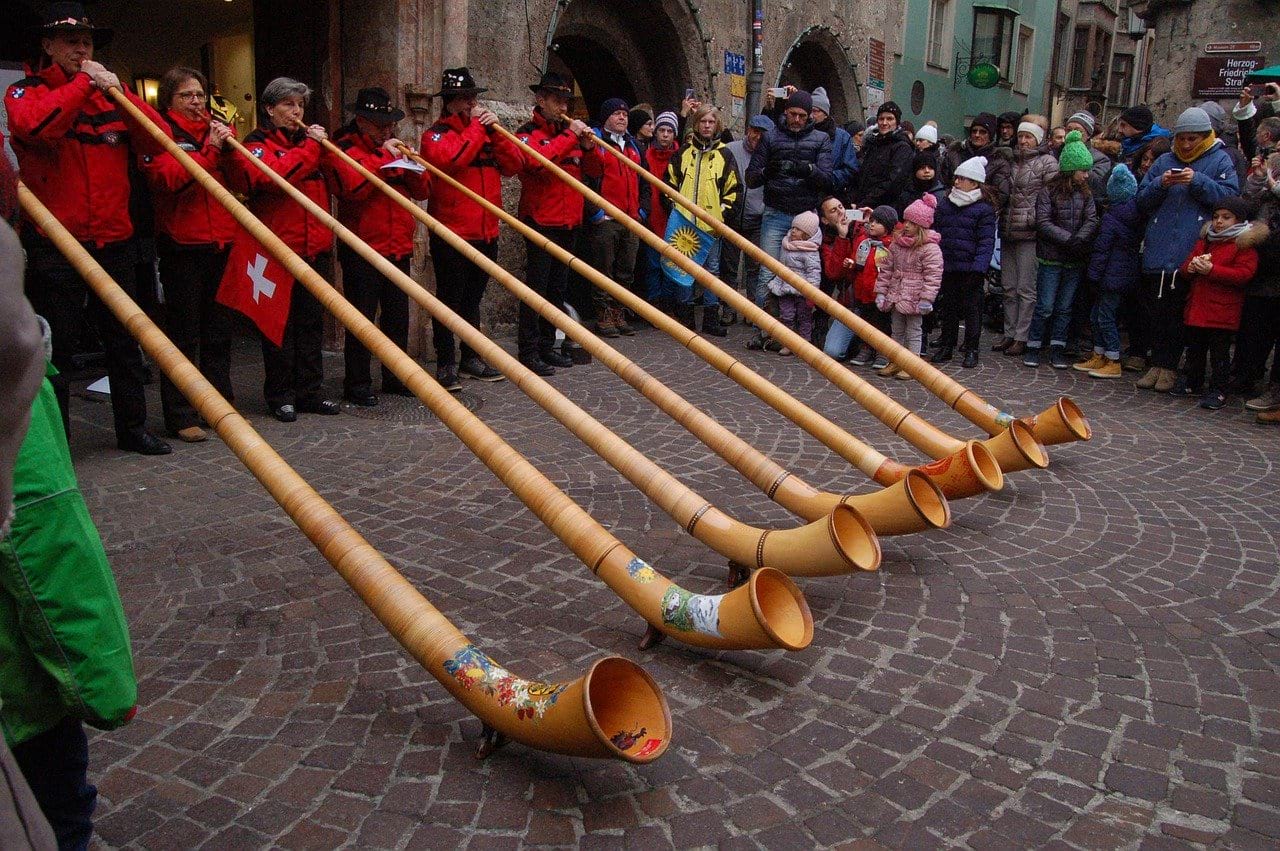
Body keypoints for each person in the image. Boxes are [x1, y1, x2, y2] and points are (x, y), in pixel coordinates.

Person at [6, 3, 172, 454]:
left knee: (125, 342)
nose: (82, 48)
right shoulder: (26, 92)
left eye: (87, 41)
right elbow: (36, 126)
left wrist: (121, 93)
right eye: (71, 41)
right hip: (55, 244)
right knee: (55, 350)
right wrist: (83, 83)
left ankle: (133, 429)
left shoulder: (109, 98)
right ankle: (57, 443)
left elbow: (161, 140)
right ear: (48, 45)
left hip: (114, 242)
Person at [224, 78, 342, 422]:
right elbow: (273, 177)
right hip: (278, 250)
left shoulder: (310, 145)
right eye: (289, 105)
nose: (296, 112)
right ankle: (280, 394)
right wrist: (311, 147)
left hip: (313, 247)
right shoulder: (257, 144)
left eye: (300, 106)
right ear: (270, 109)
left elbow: (339, 181)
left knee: (311, 324)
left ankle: (310, 390)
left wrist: (328, 151)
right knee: (279, 325)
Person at [140, 66, 237, 442]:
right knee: (184, 334)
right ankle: (181, 414)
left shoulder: (216, 131)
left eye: (199, 95)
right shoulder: (160, 132)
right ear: (169, 101)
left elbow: (242, 180)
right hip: (183, 244)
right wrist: (211, 151)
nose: (196, 102)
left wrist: (229, 150)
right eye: (187, 96)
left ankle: (219, 404)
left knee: (219, 331)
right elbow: (167, 179)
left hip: (221, 241)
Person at [329, 86, 435, 400]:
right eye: (379, 124)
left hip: (397, 245)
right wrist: (382, 160)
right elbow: (351, 189)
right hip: (362, 247)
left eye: (389, 124)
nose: (386, 129)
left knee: (397, 318)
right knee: (361, 319)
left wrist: (410, 163)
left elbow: (423, 190)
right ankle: (357, 382)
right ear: (361, 121)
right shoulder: (344, 146)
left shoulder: (392, 146)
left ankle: (395, 376)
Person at [419, 68, 523, 388]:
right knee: (448, 299)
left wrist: (498, 133)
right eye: (465, 98)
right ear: (450, 103)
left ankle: (470, 357)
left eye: (474, 97)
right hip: (452, 230)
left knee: (473, 299)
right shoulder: (435, 134)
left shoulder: (484, 132)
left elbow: (514, 165)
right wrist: (478, 129)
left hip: (485, 229)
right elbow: (454, 160)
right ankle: (446, 361)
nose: (472, 103)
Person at [1132, 107, 1240, 392]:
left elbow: (1230, 201)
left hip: (1190, 252)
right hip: (1159, 249)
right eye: (1182, 139)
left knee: (1179, 314)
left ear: (1205, 137)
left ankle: (1169, 367)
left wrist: (1198, 181)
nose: (1187, 145)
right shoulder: (1164, 160)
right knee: (1156, 312)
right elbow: (1141, 200)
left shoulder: (1220, 160)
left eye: (1193, 139)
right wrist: (1161, 183)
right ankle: (1156, 364)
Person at [515, 72, 603, 376]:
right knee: (536, 289)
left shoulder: (571, 136)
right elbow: (537, 163)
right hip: (540, 221)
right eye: (557, 101)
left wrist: (590, 146)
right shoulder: (528, 133)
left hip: (568, 222)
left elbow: (594, 170)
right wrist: (569, 137)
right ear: (541, 100)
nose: (563, 107)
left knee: (557, 288)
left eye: (566, 101)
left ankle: (548, 346)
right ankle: (528, 349)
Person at [745, 89, 833, 308]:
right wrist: (768, 172)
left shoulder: (821, 139)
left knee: (804, 273)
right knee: (768, 270)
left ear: (809, 116)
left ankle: (796, 328)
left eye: (802, 116)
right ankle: (763, 327)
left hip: (805, 216)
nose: (796, 120)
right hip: (776, 211)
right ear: (786, 112)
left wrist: (809, 170)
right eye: (793, 114)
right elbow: (751, 178)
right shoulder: (771, 137)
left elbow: (828, 180)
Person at [1170, 196, 1259, 409]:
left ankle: (1219, 389)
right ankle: (1193, 381)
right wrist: (1190, 268)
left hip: (1222, 310)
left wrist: (1213, 270)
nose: (1219, 221)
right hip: (1198, 306)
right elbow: (1186, 266)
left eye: (1226, 217)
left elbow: (1244, 274)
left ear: (1238, 221)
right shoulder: (1205, 241)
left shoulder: (1243, 245)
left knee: (1219, 353)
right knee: (1195, 348)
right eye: (1217, 217)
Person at [1023, 131, 1099, 369]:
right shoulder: (1049, 192)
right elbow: (1043, 222)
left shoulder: (1086, 194)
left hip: (1073, 258)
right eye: (1082, 170)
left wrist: (1079, 239)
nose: (1086, 175)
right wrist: (1068, 239)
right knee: (1045, 305)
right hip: (1052, 257)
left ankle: (1058, 347)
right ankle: (1034, 345)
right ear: (1070, 169)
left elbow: (1092, 219)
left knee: (1065, 307)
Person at [664, 104, 738, 337]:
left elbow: (733, 190)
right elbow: (668, 184)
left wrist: (721, 215)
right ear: (696, 124)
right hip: (684, 225)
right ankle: (685, 316)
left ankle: (710, 317)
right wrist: (676, 208)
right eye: (703, 121)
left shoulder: (725, 154)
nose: (707, 126)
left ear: (717, 126)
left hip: (711, 226)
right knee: (683, 268)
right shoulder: (683, 153)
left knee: (711, 270)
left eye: (711, 122)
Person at [995, 116, 1058, 357]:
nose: (1023, 141)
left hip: (1030, 233)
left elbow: (1050, 197)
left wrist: (1034, 218)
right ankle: (1009, 332)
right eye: (1021, 136)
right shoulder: (1010, 161)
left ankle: (1022, 336)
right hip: (1009, 229)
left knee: (1025, 288)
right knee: (1008, 286)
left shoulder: (1047, 162)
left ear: (1038, 139)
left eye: (1028, 137)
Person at [586, 96, 646, 338]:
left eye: (625, 114)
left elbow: (646, 182)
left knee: (626, 269)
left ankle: (618, 310)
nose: (622, 117)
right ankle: (603, 314)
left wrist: (642, 211)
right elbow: (586, 180)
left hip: (631, 218)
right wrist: (597, 212)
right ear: (606, 118)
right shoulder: (597, 142)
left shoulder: (633, 146)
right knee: (603, 268)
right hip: (607, 218)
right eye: (616, 114)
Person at [1075, 165, 1142, 378]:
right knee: (1099, 315)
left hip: (1111, 276)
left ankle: (1112, 358)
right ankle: (1100, 353)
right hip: (1120, 274)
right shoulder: (1133, 215)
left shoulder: (1112, 218)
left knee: (1104, 316)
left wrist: (1093, 275)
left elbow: (1101, 249)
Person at [932, 156, 997, 367]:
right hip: (949, 264)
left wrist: (978, 269)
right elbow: (938, 232)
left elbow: (986, 242)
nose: (957, 182)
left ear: (975, 182)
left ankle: (972, 348)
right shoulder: (946, 204)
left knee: (972, 311)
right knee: (949, 309)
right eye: (956, 177)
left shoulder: (983, 209)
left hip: (971, 268)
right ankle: (947, 345)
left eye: (962, 178)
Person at [874, 193, 942, 378]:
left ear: (920, 226)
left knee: (914, 330)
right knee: (896, 330)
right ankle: (895, 360)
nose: (906, 225)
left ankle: (912, 364)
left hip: (915, 296)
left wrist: (927, 298)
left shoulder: (930, 248)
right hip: (897, 293)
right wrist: (881, 292)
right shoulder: (897, 245)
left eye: (911, 223)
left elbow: (933, 276)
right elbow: (887, 269)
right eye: (906, 221)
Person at [1235, 151, 1280, 417]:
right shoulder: (1270, 178)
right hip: (1262, 270)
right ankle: (1245, 375)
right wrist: (1258, 181)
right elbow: (1247, 206)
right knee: (1255, 328)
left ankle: (1275, 391)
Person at [824, 204, 896, 365]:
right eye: (871, 221)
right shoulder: (863, 241)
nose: (872, 224)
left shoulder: (891, 245)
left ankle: (882, 351)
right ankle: (866, 348)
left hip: (880, 293)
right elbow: (856, 265)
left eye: (878, 222)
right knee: (866, 323)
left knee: (882, 324)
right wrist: (851, 264)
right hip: (860, 293)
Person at [723, 114, 773, 309]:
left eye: (762, 134)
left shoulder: (770, 155)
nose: (757, 137)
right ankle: (728, 308)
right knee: (729, 266)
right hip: (733, 217)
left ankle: (752, 309)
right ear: (748, 130)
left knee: (755, 267)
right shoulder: (730, 150)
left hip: (758, 218)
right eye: (754, 131)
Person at [641, 111, 682, 308]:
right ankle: (653, 303)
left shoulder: (681, 156)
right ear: (655, 132)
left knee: (671, 264)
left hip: (673, 215)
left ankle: (668, 305)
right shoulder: (646, 155)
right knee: (652, 264)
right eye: (661, 130)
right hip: (652, 214)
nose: (665, 134)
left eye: (669, 131)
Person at [769, 210, 821, 354]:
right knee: (786, 316)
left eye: (798, 229)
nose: (793, 231)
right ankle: (788, 343)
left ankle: (804, 344)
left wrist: (812, 293)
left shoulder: (811, 251)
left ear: (807, 234)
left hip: (802, 291)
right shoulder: (786, 243)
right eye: (793, 228)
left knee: (804, 317)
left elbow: (814, 273)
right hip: (785, 287)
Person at [939, 113, 1012, 212]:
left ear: (990, 135)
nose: (977, 135)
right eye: (974, 131)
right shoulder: (955, 154)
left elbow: (1000, 194)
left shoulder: (999, 161)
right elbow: (943, 182)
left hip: (980, 214)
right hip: (951, 210)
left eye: (983, 132)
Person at [854, 101, 914, 212]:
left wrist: (866, 201)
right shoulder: (873, 145)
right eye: (881, 119)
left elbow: (893, 182)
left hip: (884, 209)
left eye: (890, 119)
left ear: (897, 122)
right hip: (864, 205)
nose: (884, 123)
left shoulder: (902, 148)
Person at [810, 87, 858, 202]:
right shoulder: (803, 133)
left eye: (815, 111)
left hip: (831, 197)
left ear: (825, 113)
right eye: (809, 111)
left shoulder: (842, 137)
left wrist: (826, 179)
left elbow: (850, 169)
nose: (811, 115)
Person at [1063, 110, 1114, 202]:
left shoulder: (1101, 159)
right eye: (1069, 130)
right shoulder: (1055, 152)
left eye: (1078, 131)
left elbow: (1098, 185)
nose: (1072, 133)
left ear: (1088, 135)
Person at [1116, 104, 1171, 169]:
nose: (1119, 130)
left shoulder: (1158, 145)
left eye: (1123, 125)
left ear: (1136, 125)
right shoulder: (1128, 143)